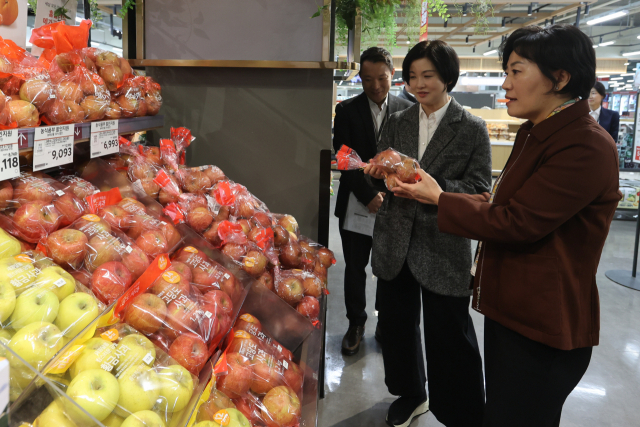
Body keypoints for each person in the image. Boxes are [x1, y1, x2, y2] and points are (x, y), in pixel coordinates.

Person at [390, 25, 621, 427]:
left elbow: (518, 221)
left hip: (542, 325)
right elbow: (500, 203)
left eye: (516, 71)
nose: (506, 83)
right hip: (512, 311)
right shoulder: (538, 133)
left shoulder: (585, 144)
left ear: (560, 77)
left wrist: (440, 198)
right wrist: (431, 193)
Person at [363, 40, 491, 427]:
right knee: (397, 325)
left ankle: (460, 411)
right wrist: (380, 173)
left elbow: (480, 190)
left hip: (443, 240)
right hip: (395, 237)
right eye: (413, 76)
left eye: (428, 76)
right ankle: (411, 393)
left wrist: (434, 190)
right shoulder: (399, 119)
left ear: (448, 77)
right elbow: (389, 165)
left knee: (450, 334)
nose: (419, 84)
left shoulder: (471, 128)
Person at [332, 47, 413, 356]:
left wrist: (391, 191)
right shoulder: (348, 110)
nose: (376, 86)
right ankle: (355, 324)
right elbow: (343, 159)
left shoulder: (408, 109)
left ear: (392, 75)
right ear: (360, 78)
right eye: (368, 79)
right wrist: (367, 195)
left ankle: (384, 322)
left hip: (396, 204)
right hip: (356, 202)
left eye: (382, 78)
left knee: (389, 266)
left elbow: (411, 161)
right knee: (355, 267)